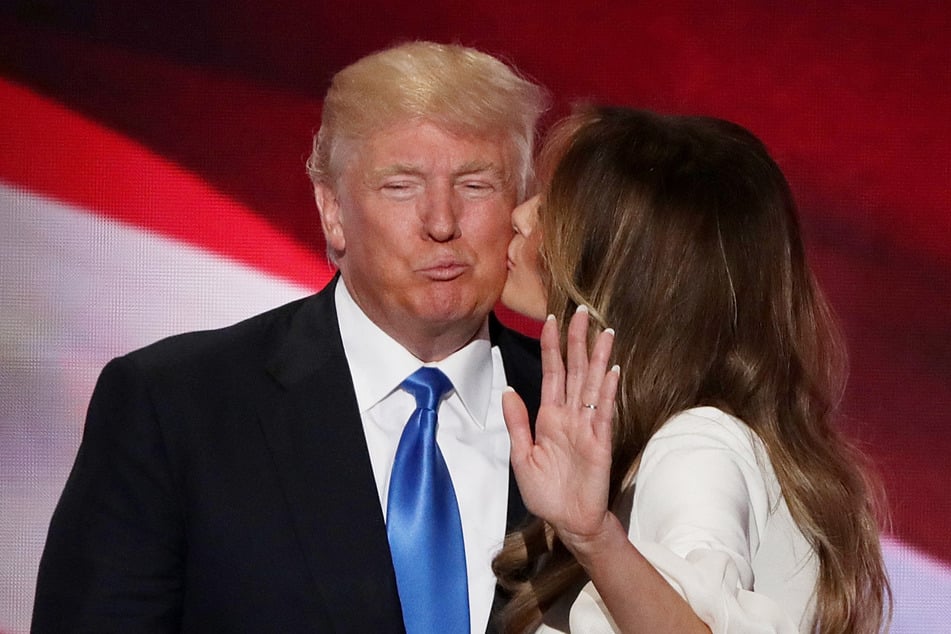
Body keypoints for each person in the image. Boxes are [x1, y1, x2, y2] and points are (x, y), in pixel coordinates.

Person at [32, 41, 548, 633]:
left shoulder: (598, 413)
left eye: (476, 185)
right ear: (332, 212)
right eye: (401, 186)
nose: (441, 222)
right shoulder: (174, 406)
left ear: (518, 207)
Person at [494, 106, 891, 633]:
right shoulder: (684, 438)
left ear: (624, 264)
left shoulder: (697, 448)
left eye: (551, 209)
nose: (520, 216)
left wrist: (595, 538)